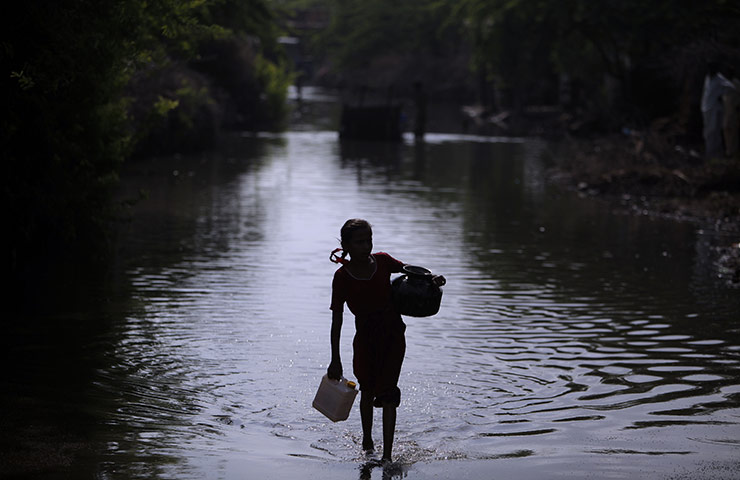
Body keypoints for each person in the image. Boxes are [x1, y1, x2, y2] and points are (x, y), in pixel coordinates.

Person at [327, 219, 444, 462]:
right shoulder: (342, 277)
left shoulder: (382, 261)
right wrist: (335, 360)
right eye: (359, 242)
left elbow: (411, 271)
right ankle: (368, 442)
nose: (366, 246)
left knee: (389, 393)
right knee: (367, 389)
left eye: (369, 240)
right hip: (365, 339)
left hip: (392, 335)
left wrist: (433, 278)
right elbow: (337, 321)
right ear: (346, 245)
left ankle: (387, 457)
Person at [701, 61, 735, 158]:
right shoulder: (707, 78)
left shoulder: (720, 79)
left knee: (714, 132)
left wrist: (721, 95)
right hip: (706, 108)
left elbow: (731, 87)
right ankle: (709, 153)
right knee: (707, 132)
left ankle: (715, 154)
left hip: (715, 109)